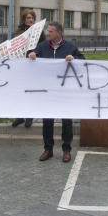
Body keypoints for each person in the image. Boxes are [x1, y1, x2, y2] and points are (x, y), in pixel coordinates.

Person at [27, 22, 84, 162]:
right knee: (47, 121)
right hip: (48, 91)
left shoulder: (70, 47)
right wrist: (31, 55)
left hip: (65, 91)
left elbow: (83, 61)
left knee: (66, 121)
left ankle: (66, 149)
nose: (48, 34)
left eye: (51, 31)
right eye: (48, 31)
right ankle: (48, 149)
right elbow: (31, 56)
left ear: (59, 33)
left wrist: (74, 59)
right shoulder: (43, 46)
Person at [12, 9, 41, 128]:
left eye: (32, 18)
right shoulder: (18, 32)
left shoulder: (39, 32)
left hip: (34, 65)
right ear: (24, 19)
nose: (31, 20)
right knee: (20, 91)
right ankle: (20, 116)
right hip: (21, 65)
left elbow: (43, 46)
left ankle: (29, 116)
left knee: (31, 91)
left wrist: (36, 53)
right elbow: (13, 46)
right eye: (28, 18)